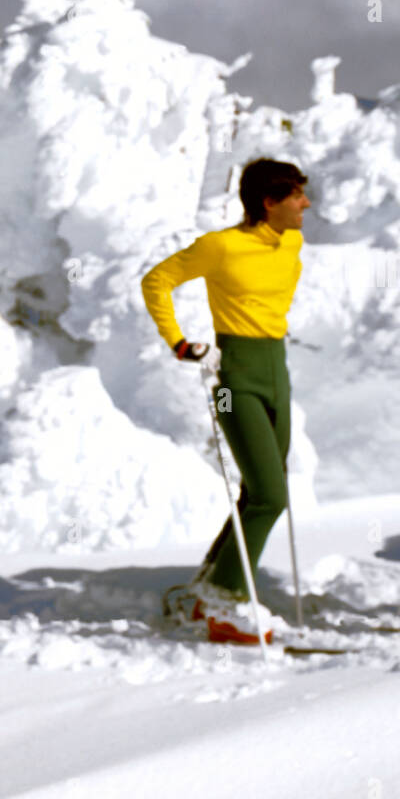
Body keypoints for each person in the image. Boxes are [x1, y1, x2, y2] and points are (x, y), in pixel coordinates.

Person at [140, 158, 309, 644]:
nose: (307, 204)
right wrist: (178, 341)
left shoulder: (292, 241)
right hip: (235, 382)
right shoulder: (221, 247)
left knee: (258, 493)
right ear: (268, 202)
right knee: (270, 495)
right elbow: (156, 281)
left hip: (277, 372)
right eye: (297, 196)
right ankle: (223, 598)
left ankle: (204, 590)